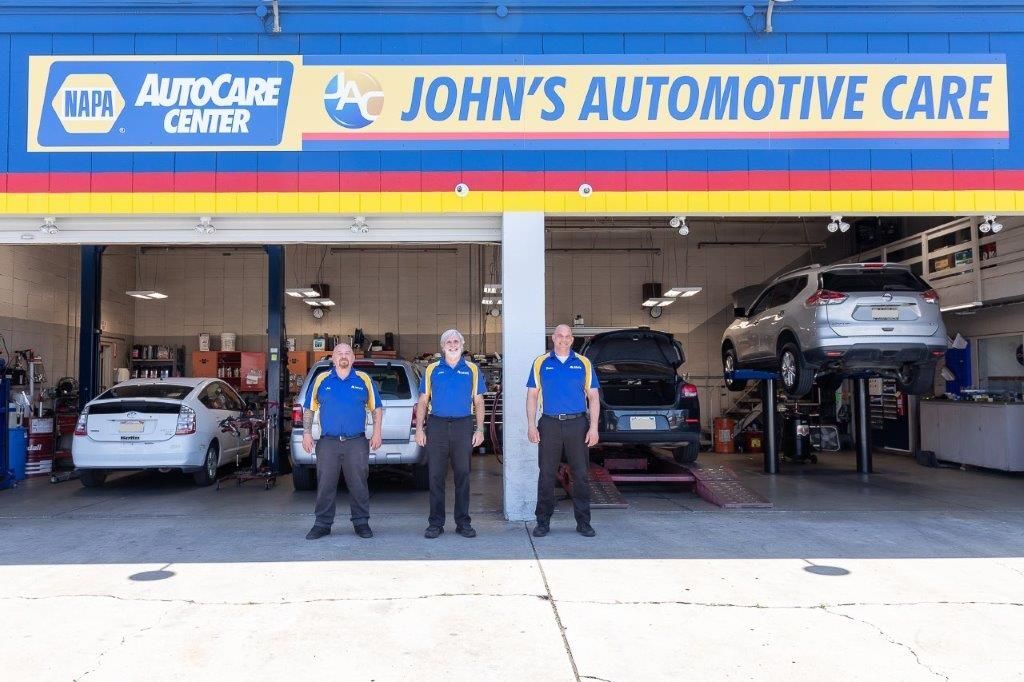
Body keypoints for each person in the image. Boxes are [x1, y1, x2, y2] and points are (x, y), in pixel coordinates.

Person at [526, 324, 601, 537]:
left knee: (580, 475)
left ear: (572, 339)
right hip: (549, 424)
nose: (564, 339)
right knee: (546, 475)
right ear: (553, 338)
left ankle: (584, 523)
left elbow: (593, 397)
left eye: (568, 336)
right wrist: (532, 425)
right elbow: (532, 396)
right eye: (560, 335)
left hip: (577, 424)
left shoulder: (583, 363)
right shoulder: (541, 362)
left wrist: (593, 427)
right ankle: (542, 522)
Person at [301, 343, 382, 540]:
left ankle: (361, 522)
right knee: (325, 484)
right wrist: (306, 433)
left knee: (359, 484)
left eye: (347, 353)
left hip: (357, 442)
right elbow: (309, 408)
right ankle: (322, 524)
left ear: (353, 358)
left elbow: (376, 408)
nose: (343, 356)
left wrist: (377, 432)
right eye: (339, 353)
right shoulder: (322, 379)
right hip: (328, 442)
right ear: (333, 358)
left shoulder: (363, 379)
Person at [416, 329, 486, 539]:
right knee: (436, 475)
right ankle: (435, 523)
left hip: (463, 425)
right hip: (436, 425)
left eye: (456, 341)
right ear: (442, 345)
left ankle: (463, 523)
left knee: (462, 475)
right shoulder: (432, 369)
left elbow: (479, 401)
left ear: (462, 345)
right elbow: (422, 401)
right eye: (449, 341)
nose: (453, 344)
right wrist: (420, 428)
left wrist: (480, 429)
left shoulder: (472, 370)